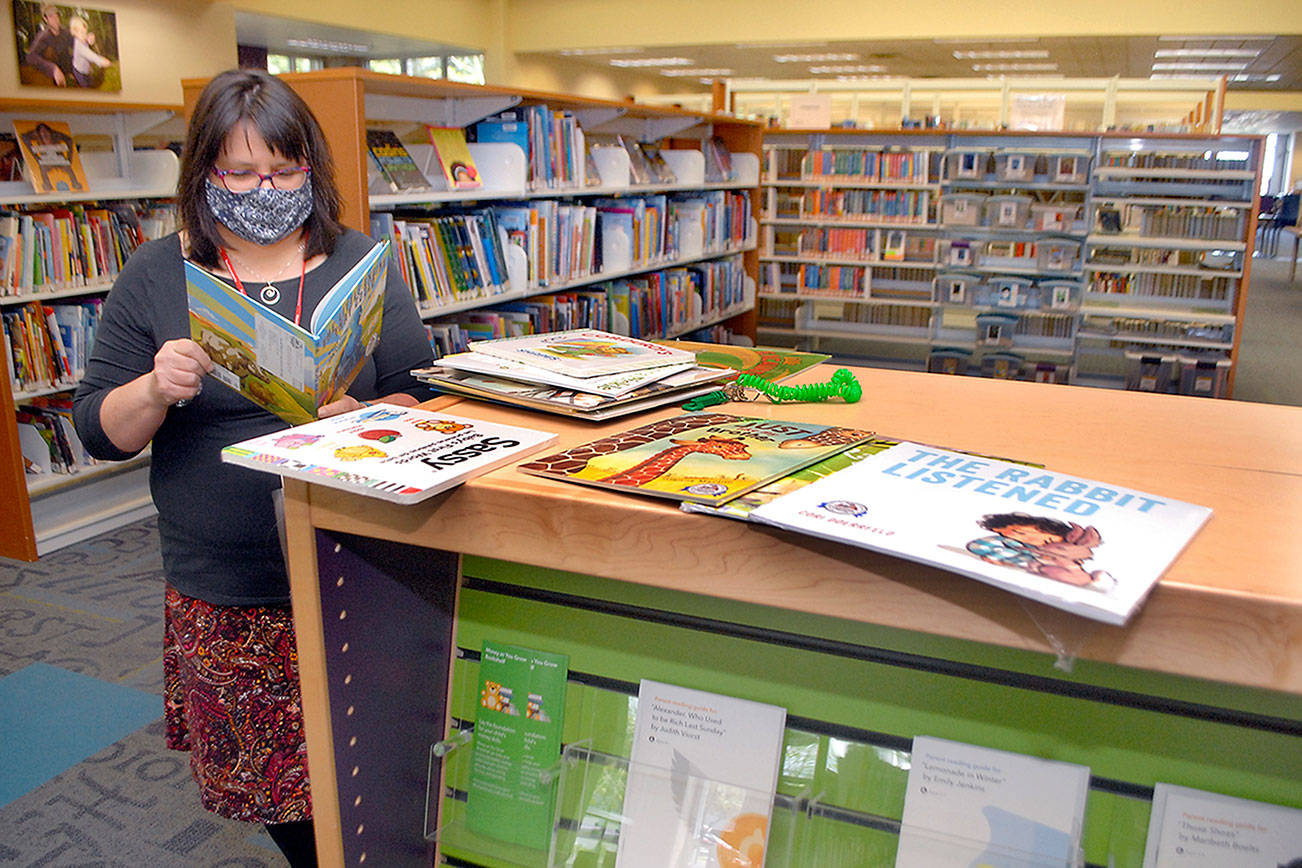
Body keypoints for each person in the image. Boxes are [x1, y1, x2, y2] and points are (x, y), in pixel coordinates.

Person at [72, 69, 434, 867]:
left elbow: (420, 389)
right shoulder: (159, 273)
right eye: (239, 172)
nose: (262, 188)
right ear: (203, 173)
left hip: (359, 563)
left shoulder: (357, 259)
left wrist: (375, 416)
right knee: (278, 789)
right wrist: (153, 386)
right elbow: (100, 431)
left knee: (377, 761)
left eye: (283, 169)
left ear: (313, 167)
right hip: (231, 590)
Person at [23, 4, 75, 87]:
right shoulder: (43, 36)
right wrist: (53, 69)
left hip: (68, 73)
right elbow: (30, 56)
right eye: (51, 16)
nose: (55, 19)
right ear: (45, 19)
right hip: (50, 76)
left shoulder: (65, 33)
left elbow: (76, 46)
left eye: (56, 16)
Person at [67, 15, 112, 88]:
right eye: (81, 32)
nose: (84, 35)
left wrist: (90, 38)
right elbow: (92, 56)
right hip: (79, 72)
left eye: (85, 32)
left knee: (91, 82)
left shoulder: (81, 37)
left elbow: (88, 38)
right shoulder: (79, 46)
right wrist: (102, 61)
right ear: (74, 33)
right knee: (86, 87)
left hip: (86, 68)